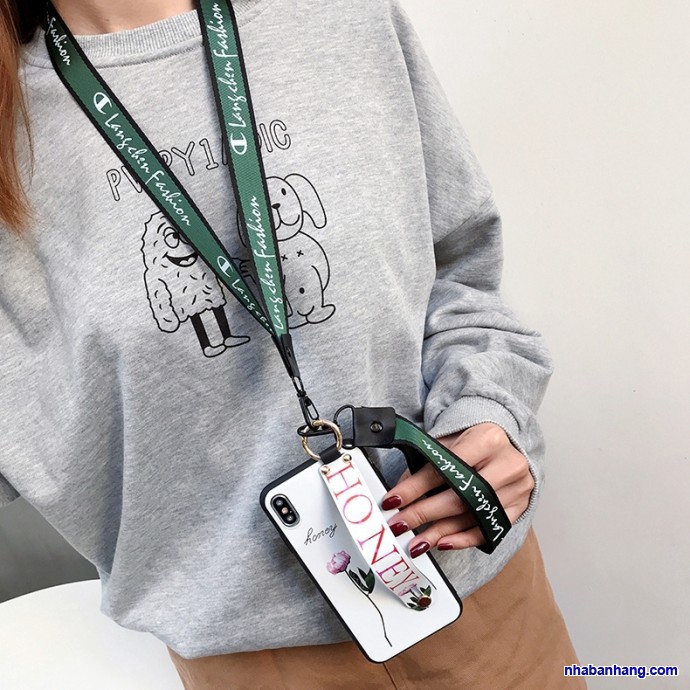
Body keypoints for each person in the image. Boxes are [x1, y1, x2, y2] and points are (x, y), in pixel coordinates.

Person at [0, 0, 585, 687]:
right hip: (258, 663)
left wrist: (490, 414)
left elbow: (461, 271)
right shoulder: (15, 126)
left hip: (479, 598)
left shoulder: (341, 18)